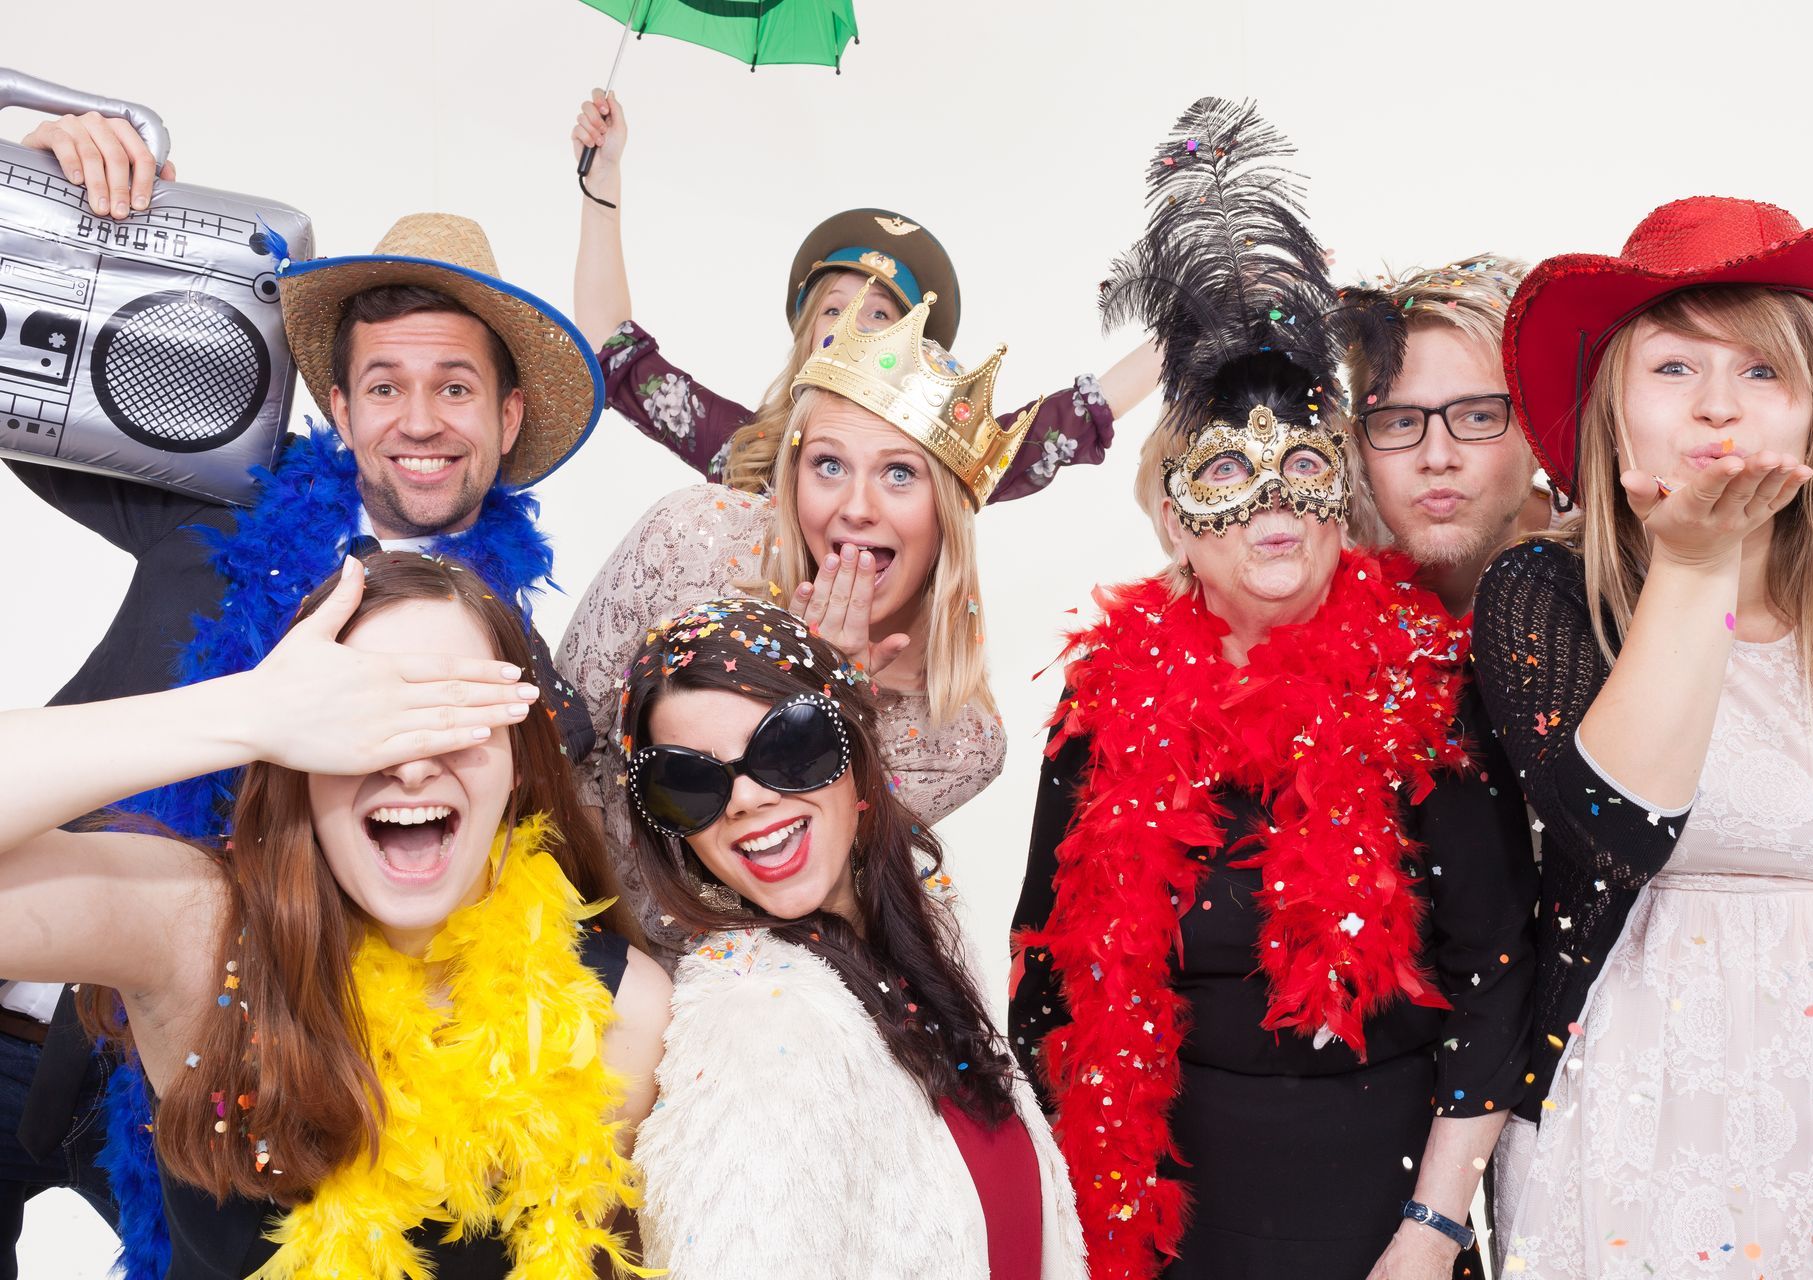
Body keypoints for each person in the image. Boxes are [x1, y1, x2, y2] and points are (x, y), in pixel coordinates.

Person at [5, 112, 605, 1278]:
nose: (420, 421)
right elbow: (29, 378)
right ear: (336, 402)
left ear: (509, 417)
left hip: (197, 1070)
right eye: (386, 385)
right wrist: (61, 209)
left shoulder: (516, 694)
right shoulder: (215, 497)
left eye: (455, 387)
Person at [1007, 99, 1536, 1280]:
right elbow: (1044, 981)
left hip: (1382, 1211)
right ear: (1172, 512)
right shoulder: (1102, 703)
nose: (1271, 504)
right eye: (1225, 474)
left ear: (1340, 487)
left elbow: (1497, 972)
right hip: (1162, 1218)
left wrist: (1434, 1228)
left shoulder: (1425, 682)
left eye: (1303, 465)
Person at [0, 552, 669, 1279]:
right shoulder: (197, 930)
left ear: (520, 765)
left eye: (455, 716)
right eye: (367, 717)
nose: (412, 762)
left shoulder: (622, 1015)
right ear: (301, 758)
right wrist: (246, 712)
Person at [1474, 196, 1813, 1278]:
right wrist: (1694, 561)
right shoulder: (1542, 593)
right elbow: (1620, 835)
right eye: (1675, 368)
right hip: (1628, 1137)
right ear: (1612, 404)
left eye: (1763, 371)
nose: (1719, 405)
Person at [615, 598, 1085, 1277]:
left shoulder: (924, 937)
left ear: (855, 749)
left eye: (788, 745)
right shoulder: (757, 1022)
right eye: (688, 783)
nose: (746, 799)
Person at [561, 281, 1025, 900]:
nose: (856, 508)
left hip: (723, 982)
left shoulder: (961, 742)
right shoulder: (689, 539)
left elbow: (785, 895)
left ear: (948, 514)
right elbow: (555, 749)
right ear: (793, 473)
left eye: (899, 473)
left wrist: (830, 706)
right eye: (829, 465)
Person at [569, 88, 1161, 501]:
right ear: (808, 340)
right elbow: (610, 347)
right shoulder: (745, 453)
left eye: (879, 314)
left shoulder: (942, 459)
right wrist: (604, 182)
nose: (855, 325)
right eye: (834, 308)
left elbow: (1078, 416)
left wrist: (1196, 325)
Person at [1339, 257, 1553, 618]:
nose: (1437, 457)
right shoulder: (1314, 561)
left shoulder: (1621, 562)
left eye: (1478, 417)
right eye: (1401, 423)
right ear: (1359, 441)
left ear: (1539, 434)